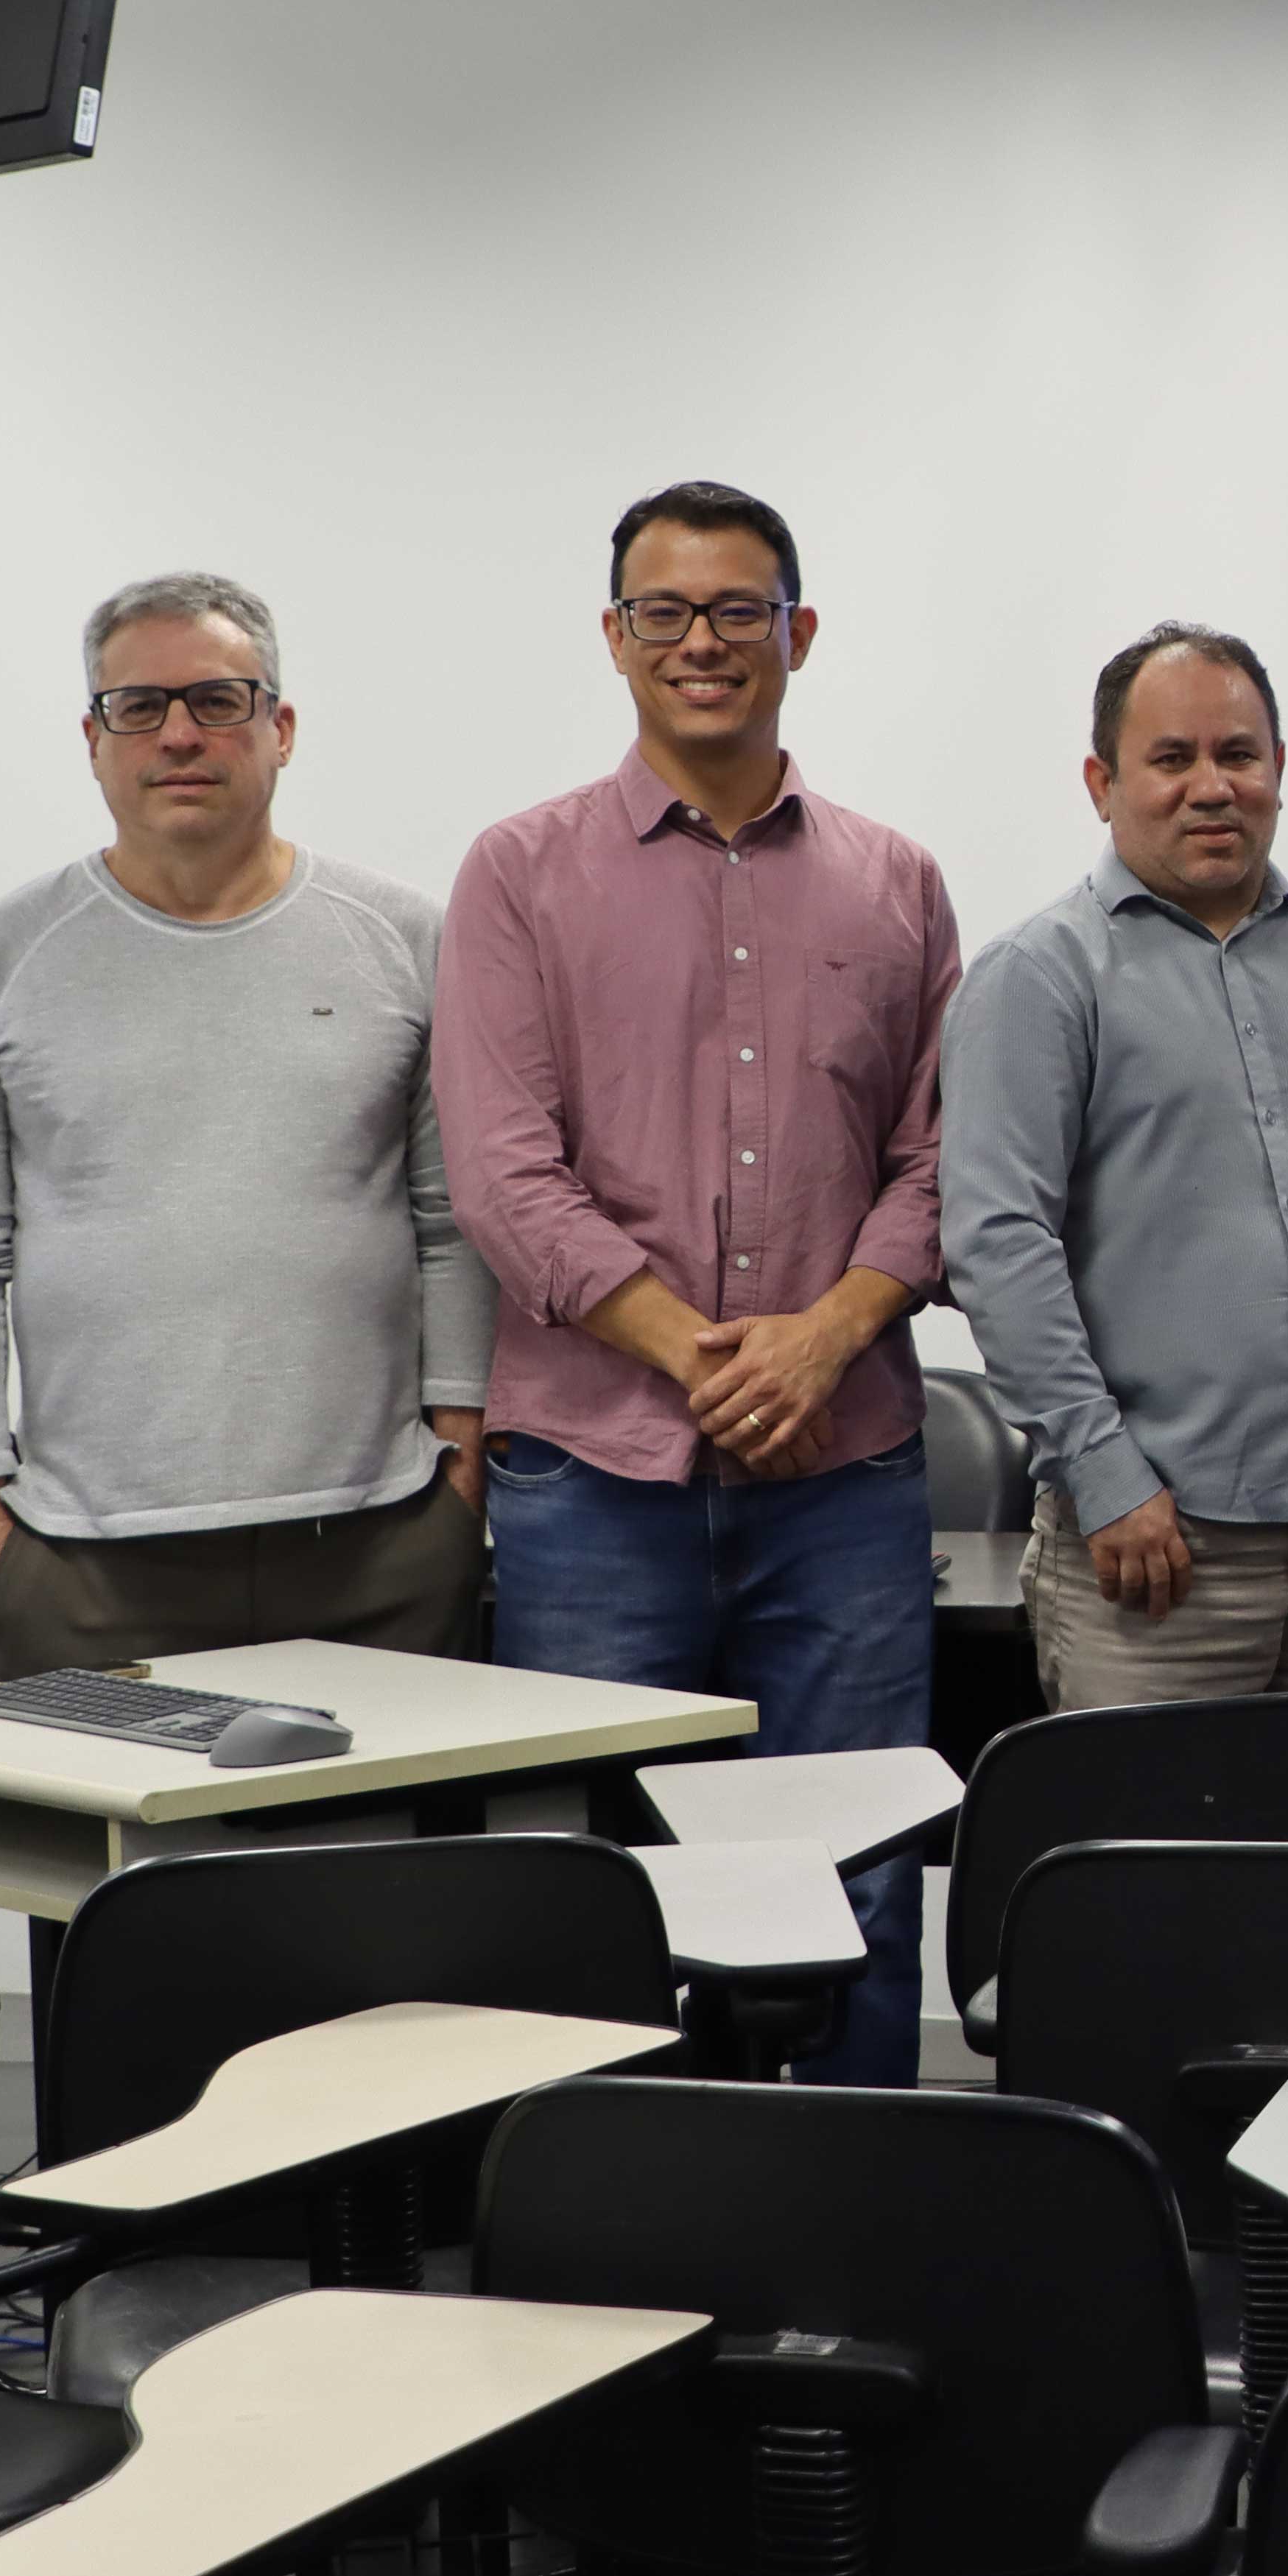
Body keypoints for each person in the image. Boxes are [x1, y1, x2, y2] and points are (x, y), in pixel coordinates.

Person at [440, 485, 959, 2080]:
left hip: (842, 1478)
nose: (702, 642)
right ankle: (616, 2202)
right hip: (594, 1484)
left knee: (860, 1876)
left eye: (740, 609)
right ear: (615, 639)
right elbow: (503, 1174)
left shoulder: (896, 880)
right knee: (590, 1890)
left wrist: (825, 1341)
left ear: (800, 633)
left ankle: (862, 2199)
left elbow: (945, 1159)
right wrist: (706, 1356)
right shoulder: (517, 874)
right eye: (663, 612)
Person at [0, 574, 490, 1676]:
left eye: (218, 700)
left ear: (282, 728)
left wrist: (460, 1465)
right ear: (93, 739)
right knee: (105, 1808)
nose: (178, 735)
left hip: (383, 1546)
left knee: (408, 1804)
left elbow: (457, 1222)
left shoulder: (408, 941)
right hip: (84, 1565)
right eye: (138, 706)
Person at [949, 626, 1288, 1704]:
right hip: (1153, 1558)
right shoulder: (1040, 979)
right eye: (1171, 759)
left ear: (1279, 769)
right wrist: (1103, 1473)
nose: (1212, 787)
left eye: (1238, 755)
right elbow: (999, 1245)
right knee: (1162, 1828)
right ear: (1101, 784)